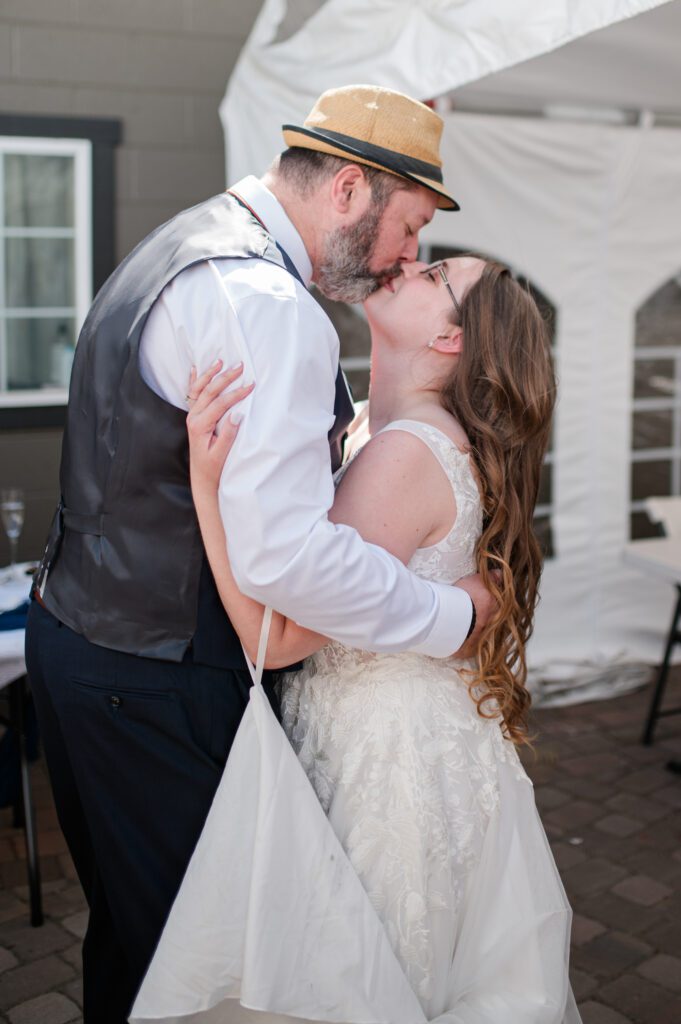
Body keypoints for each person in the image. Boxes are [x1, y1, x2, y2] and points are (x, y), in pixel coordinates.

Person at [24, 85, 495, 1024]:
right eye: (408, 228)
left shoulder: (186, 245)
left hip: (85, 643)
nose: (408, 256)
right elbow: (287, 558)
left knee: (139, 935)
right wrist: (452, 618)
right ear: (351, 190)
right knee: (209, 966)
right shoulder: (267, 304)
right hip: (161, 676)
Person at [130, 256, 582, 1023]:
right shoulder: (383, 425)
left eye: (434, 272)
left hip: (387, 752)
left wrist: (206, 486)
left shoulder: (405, 450)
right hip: (409, 729)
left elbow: (279, 642)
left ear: (448, 339)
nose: (407, 262)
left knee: (356, 978)